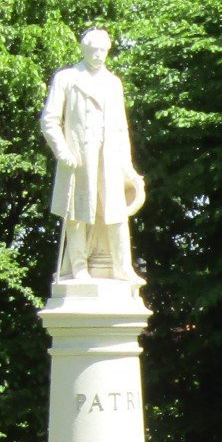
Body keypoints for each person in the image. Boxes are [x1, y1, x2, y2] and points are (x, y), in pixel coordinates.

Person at [41, 26, 146, 284]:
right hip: (78, 157)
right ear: (83, 49)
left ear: (108, 51)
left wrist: (128, 167)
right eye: (92, 49)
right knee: (77, 214)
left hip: (109, 157)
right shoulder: (66, 78)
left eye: (102, 50)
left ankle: (122, 267)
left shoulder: (113, 83)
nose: (97, 54)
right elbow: (49, 120)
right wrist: (63, 151)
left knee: (116, 211)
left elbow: (122, 127)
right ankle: (78, 268)